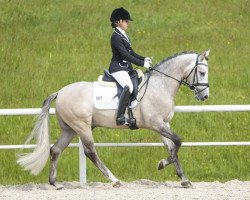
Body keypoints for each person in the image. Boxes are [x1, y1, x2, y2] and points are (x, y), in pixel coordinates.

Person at [109, 7, 152, 126]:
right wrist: (142, 64)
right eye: (126, 21)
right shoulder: (115, 36)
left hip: (125, 68)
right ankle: (120, 117)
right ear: (118, 21)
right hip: (117, 68)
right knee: (128, 86)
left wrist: (144, 58)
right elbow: (124, 54)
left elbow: (131, 52)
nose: (128, 23)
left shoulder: (123, 35)